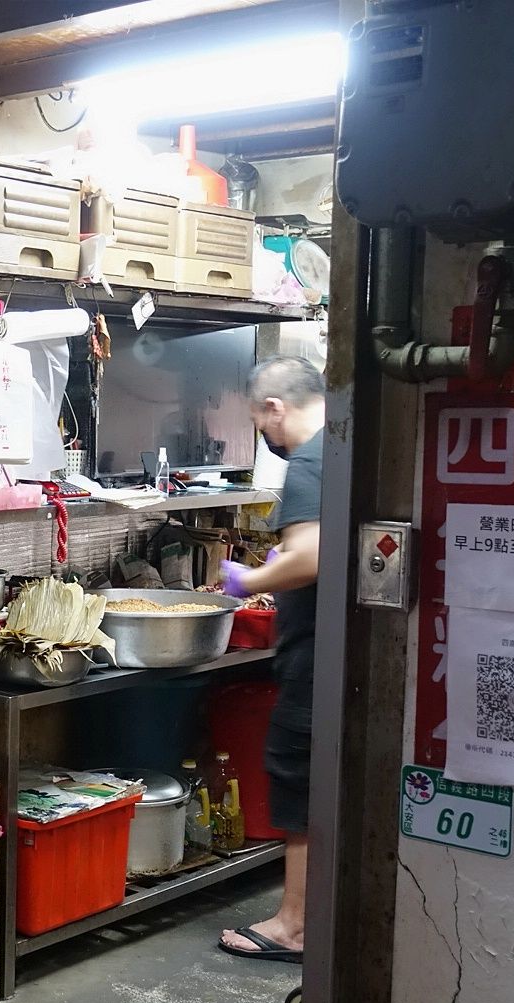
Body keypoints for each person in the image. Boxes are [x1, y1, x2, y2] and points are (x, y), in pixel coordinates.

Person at [216, 355, 325, 965]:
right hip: (347, 652)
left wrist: (250, 579)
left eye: (259, 420)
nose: (264, 433)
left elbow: (311, 555)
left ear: (275, 408)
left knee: (297, 776)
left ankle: (294, 927)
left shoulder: (309, 461)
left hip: (317, 657)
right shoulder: (349, 443)